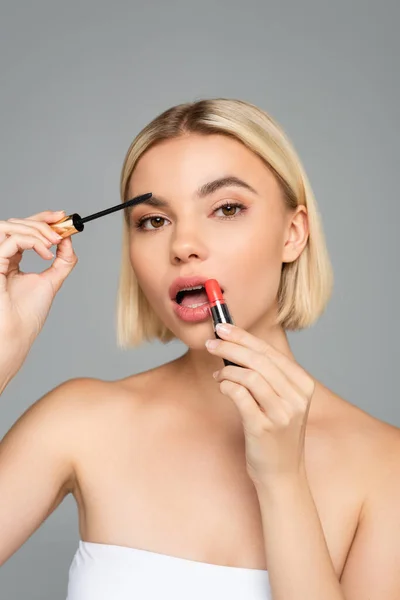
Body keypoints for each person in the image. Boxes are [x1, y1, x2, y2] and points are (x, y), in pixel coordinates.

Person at [0, 98, 399, 600]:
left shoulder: (388, 468)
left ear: (293, 234)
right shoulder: (79, 420)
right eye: (153, 220)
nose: (183, 244)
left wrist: (282, 481)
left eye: (226, 209)